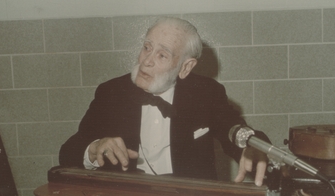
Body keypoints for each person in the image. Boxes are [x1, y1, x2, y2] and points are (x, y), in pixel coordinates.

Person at [59, 17, 268, 186]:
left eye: (161, 55)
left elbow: (233, 128)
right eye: (147, 48)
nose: (146, 61)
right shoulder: (111, 92)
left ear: (186, 67)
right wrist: (94, 148)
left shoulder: (206, 92)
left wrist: (252, 145)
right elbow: (68, 153)